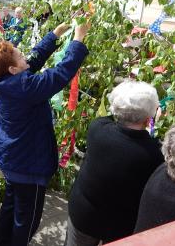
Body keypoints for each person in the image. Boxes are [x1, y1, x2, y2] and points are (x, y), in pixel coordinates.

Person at [0, 21, 90, 246]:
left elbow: (33, 58)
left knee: (11, 205)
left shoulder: (5, 80)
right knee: (27, 219)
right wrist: (78, 39)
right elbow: (61, 73)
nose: (25, 57)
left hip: (12, 158)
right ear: (14, 69)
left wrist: (55, 34)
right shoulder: (26, 86)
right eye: (19, 56)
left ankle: (2, 243)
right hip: (28, 166)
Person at [66, 80, 164, 245]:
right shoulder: (154, 152)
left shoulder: (97, 128)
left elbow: (113, 119)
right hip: (120, 225)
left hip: (84, 212)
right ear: (149, 118)